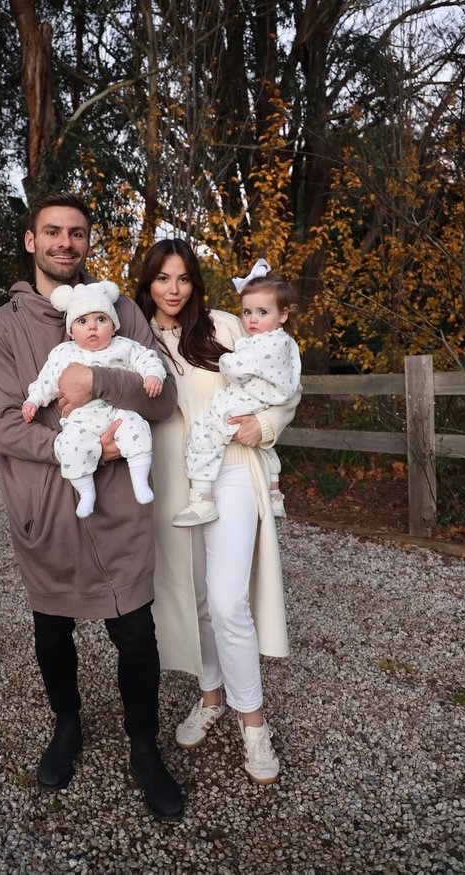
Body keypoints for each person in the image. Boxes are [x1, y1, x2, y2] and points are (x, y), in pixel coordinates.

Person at [0, 192, 183, 822]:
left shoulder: (118, 308)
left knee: (136, 632)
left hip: (118, 505)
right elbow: (4, 423)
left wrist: (99, 383)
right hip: (45, 505)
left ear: (88, 243)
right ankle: (67, 724)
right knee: (53, 630)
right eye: (53, 232)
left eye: (77, 234)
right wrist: (88, 446)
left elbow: (164, 393)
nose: (66, 243)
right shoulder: (3, 329)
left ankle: (144, 746)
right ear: (31, 241)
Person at [135, 239, 301, 785]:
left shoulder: (229, 325)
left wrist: (268, 425)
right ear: (149, 283)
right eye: (163, 279)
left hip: (229, 468)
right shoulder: (136, 336)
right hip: (169, 479)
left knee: (229, 600)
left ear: (197, 284)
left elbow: (284, 380)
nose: (173, 289)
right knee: (194, 594)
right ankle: (210, 696)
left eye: (183, 279)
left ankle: (253, 724)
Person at [172, 258, 301, 526]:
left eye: (262, 313)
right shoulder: (280, 341)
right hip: (259, 399)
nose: (252, 320)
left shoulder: (253, 338)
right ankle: (275, 492)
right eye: (247, 313)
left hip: (244, 416)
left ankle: (202, 497)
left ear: (283, 315)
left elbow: (237, 367)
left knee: (205, 431)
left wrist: (226, 360)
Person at [22, 279, 166, 518]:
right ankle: (86, 492)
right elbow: (46, 380)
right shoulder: (63, 353)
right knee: (68, 444)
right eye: (82, 321)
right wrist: (33, 401)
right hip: (81, 419)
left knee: (136, 426)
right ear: (71, 329)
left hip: (117, 412)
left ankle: (140, 480)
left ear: (113, 325)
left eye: (101, 319)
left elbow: (148, 359)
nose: (92, 327)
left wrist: (152, 376)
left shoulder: (124, 346)